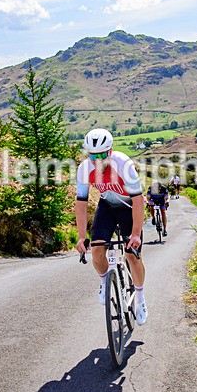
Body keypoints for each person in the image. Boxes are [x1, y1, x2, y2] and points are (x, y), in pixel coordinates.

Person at [75, 128, 148, 325]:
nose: (97, 160)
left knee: (132, 255)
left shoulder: (123, 164)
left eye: (101, 155)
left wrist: (135, 234)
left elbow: (138, 200)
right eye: (92, 155)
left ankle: (140, 300)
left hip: (129, 208)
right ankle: (105, 282)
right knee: (97, 250)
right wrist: (81, 236)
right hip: (107, 207)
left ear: (110, 151)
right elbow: (81, 203)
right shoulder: (84, 170)